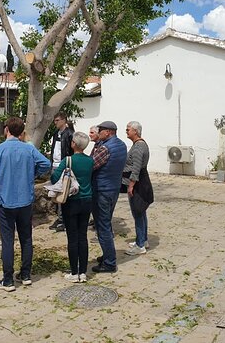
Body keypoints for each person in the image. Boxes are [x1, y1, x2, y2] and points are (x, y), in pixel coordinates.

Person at [0, 117, 50, 292]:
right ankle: (25, 275)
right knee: (26, 238)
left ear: (6, 130)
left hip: (5, 200)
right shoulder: (29, 149)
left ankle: (8, 279)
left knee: (7, 240)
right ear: (21, 132)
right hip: (25, 199)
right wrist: (33, 175)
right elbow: (46, 163)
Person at [50, 132, 93, 283]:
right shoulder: (90, 161)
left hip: (72, 201)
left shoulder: (68, 160)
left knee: (72, 237)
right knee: (83, 236)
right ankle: (83, 272)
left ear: (73, 144)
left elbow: (54, 177)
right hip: (87, 199)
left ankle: (74, 271)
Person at [91, 120, 127, 273]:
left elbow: (91, 165)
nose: (98, 134)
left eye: (100, 131)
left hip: (102, 190)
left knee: (102, 226)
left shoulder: (105, 148)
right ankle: (108, 254)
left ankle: (109, 262)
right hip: (114, 189)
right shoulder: (122, 145)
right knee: (107, 223)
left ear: (108, 132)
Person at [123, 121, 153, 256]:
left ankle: (140, 245)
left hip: (138, 183)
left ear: (136, 131)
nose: (126, 131)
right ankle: (143, 239)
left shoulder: (139, 147)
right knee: (140, 212)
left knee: (138, 213)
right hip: (139, 181)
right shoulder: (137, 144)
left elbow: (136, 167)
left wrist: (131, 185)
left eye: (128, 129)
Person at [49, 113, 75, 233]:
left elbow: (71, 151)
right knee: (56, 193)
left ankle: (64, 220)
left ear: (64, 120)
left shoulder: (69, 134)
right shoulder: (56, 134)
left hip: (64, 166)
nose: (55, 122)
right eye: (54, 120)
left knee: (64, 193)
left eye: (57, 120)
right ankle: (60, 218)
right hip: (55, 165)